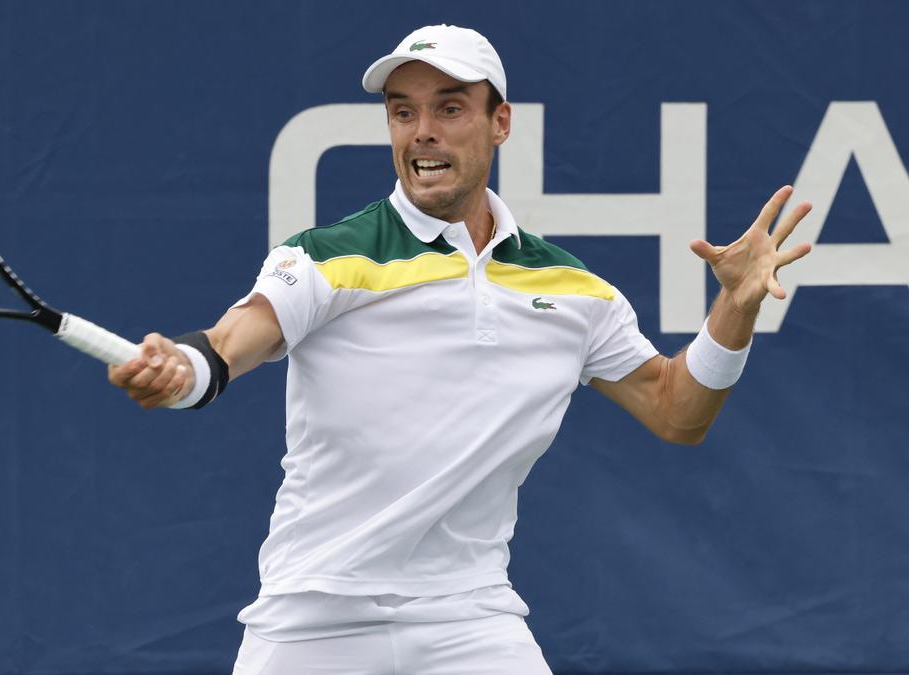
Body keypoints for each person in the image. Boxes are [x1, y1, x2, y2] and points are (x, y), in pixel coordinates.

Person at [108, 24, 812, 675]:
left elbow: (676, 412)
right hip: (312, 616)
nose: (422, 134)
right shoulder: (326, 259)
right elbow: (230, 344)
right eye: (403, 111)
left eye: (449, 109)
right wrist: (183, 369)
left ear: (499, 122)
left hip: (469, 618)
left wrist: (734, 309)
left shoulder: (573, 291)